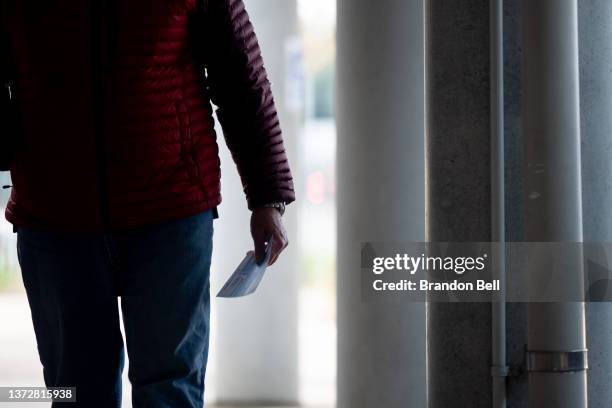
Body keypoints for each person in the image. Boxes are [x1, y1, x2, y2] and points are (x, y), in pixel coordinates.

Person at [0, 0, 295, 406]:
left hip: (170, 215)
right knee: (75, 393)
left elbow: (241, 73)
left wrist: (268, 195)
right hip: (55, 218)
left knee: (170, 391)